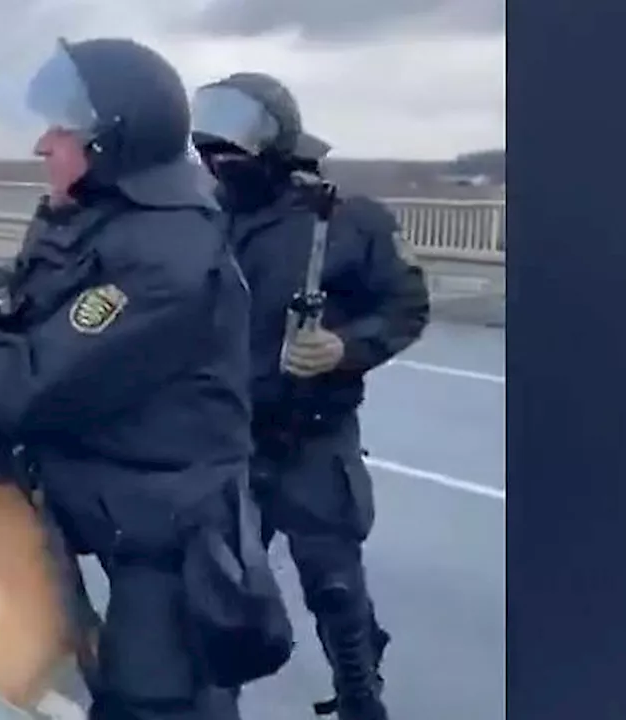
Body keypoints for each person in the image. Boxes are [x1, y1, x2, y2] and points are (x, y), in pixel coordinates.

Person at [0, 38, 293, 720]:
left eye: (61, 131)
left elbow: (24, 387)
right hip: (97, 503)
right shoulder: (99, 221)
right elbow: (14, 301)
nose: (43, 145)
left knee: (151, 701)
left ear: (109, 146)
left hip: (167, 535)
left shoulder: (168, 259)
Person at [190, 72, 432, 720]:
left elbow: (406, 304)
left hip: (312, 440)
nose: (219, 164)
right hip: (226, 444)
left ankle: (361, 699)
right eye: (209, 152)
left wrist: (343, 348)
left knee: (334, 589)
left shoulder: (348, 222)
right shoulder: (200, 221)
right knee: (219, 596)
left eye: (232, 151)